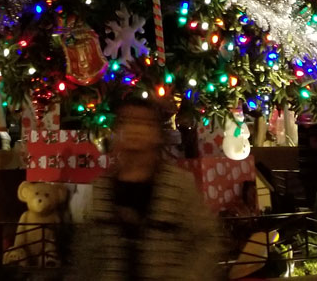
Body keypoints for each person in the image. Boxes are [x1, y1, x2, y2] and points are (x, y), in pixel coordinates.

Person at [74, 95, 219, 281]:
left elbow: (206, 241)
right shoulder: (102, 189)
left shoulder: (178, 186)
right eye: (128, 122)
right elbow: (87, 253)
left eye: (145, 123)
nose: (135, 130)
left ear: (158, 134)